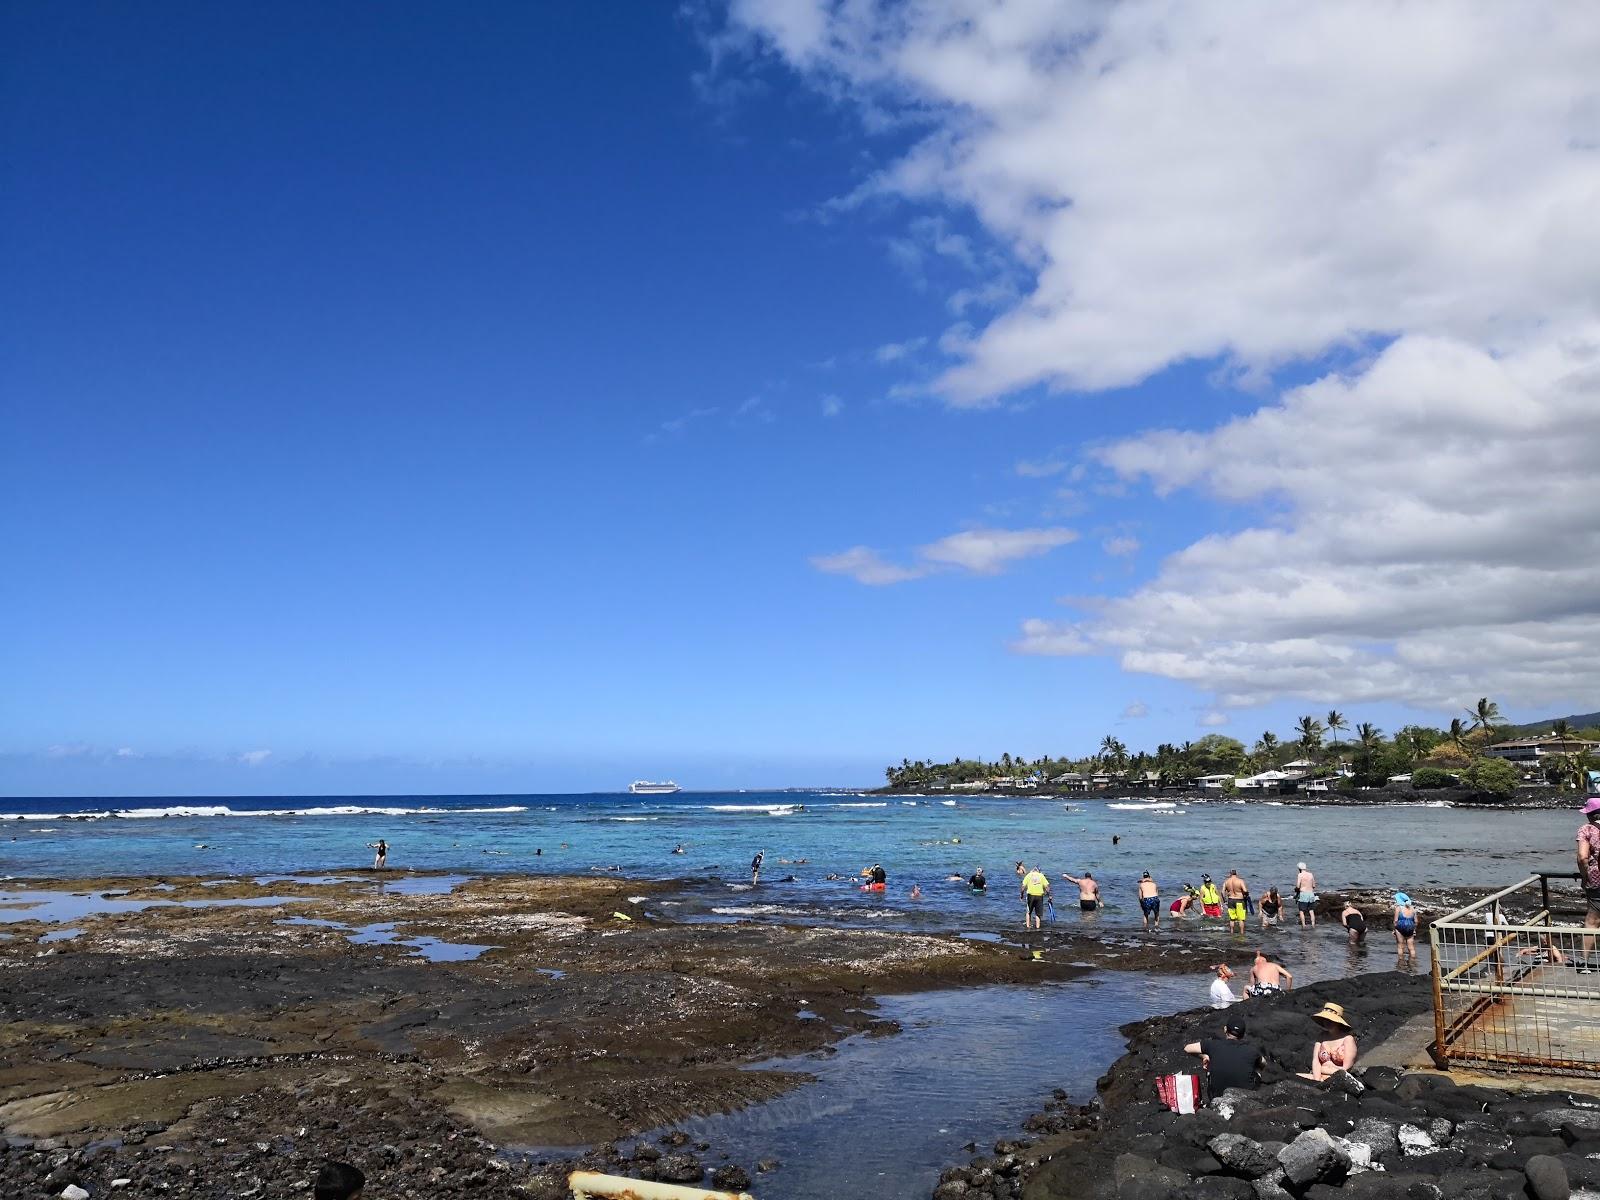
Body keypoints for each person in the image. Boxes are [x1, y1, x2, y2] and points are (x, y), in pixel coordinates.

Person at [1184, 1017, 1263, 1101]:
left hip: (1217, 1098)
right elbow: (1263, 1064)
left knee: (1211, 1068)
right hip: (1244, 1098)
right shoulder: (1251, 1050)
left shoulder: (1212, 1045)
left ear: (1225, 1029)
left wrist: (1204, 1056)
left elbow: (1187, 1048)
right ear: (1243, 1034)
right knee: (1256, 1068)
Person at [1298, 1001, 1358, 1081]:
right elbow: (1316, 1061)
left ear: (1338, 1022)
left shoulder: (1347, 1039)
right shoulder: (1321, 1036)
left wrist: (1325, 1071)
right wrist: (1317, 1079)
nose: (1327, 1022)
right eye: (1325, 1019)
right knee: (1294, 1077)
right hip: (1319, 1076)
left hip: (1338, 1079)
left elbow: (1346, 1068)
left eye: (1330, 1019)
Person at [1578, 797, 1600, 965]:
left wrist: (1585, 876)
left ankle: (1584, 963)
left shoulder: (1587, 830)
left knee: (1592, 921)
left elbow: (1583, 857)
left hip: (1596, 879)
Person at [1021, 863, 1052, 930]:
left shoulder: (1028, 875)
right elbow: (1047, 887)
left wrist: (1022, 895)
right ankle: (1038, 927)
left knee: (1028, 912)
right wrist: (1049, 896)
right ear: (1039, 870)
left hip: (1030, 895)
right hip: (1039, 895)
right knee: (1038, 913)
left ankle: (1028, 926)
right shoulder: (1041, 876)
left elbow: (1023, 886)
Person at [1222, 869, 1250, 934]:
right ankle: (1242, 933)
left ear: (1230, 874)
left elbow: (1222, 892)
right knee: (1241, 919)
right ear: (1236, 874)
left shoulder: (1226, 881)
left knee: (1232, 919)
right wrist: (1246, 896)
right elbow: (1245, 890)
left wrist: (1224, 900)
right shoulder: (1240, 881)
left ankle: (1231, 932)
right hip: (1239, 900)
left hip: (1231, 900)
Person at [1392, 892, 1418, 960]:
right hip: (1410, 927)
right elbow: (1416, 921)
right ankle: (1413, 960)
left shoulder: (1398, 908)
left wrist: (1394, 930)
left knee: (1400, 946)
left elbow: (1395, 921)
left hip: (1400, 926)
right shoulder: (1413, 908)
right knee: (1411, 946)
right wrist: (1414, 929)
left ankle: (1401, 961)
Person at [1295, 862, 1318, 927]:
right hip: (1311, 894)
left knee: (1301, 911)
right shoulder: (1311, 874)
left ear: (1299, 868)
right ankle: (1313, 924)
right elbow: (1314, 885)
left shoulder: (1300, 875)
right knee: (1311, 910)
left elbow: (1298, 886)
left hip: (1303, 894)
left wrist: (1296, 890)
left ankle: (1304, 925)